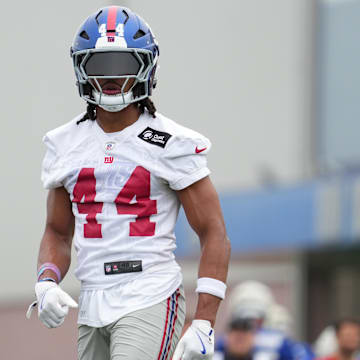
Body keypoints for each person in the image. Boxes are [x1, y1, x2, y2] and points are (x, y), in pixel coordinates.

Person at [27, 6, 230, 360]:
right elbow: (58, 232)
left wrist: (204, 322)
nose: (110, 77)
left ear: (145, 67)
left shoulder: (172, 142)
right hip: (91, 298)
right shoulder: (64, 143)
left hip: (149, 291)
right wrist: (46, 280)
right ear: (81, 69)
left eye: (122, 64)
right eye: (99, 66)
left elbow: (213, 233)